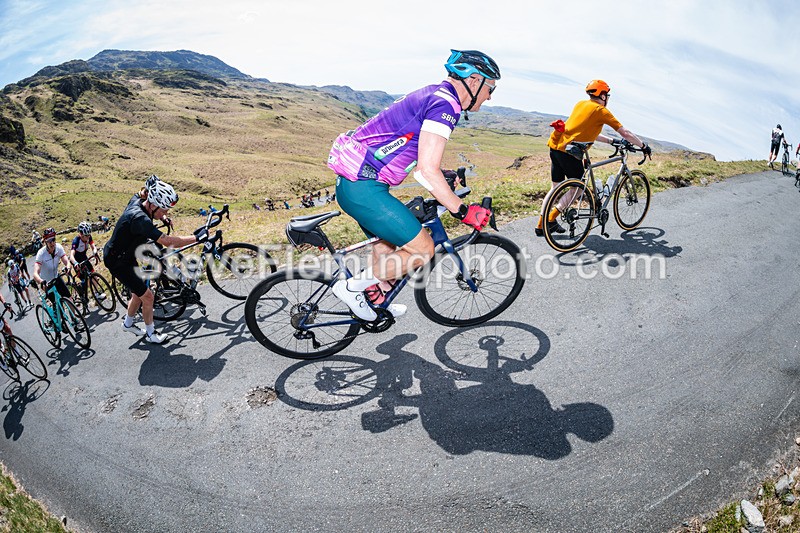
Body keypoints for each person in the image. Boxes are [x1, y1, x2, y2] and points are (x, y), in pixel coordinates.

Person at [326, 49, 497, 321]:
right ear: (475, 81)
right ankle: (351, 288)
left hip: (355, 185)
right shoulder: (446, 105)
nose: (490, 96)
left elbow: (416, 152)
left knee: (386, 243)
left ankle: (373, 298)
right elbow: (425, 172)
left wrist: (445, 173)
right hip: (363, 188)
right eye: (491, 88)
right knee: (423, 250)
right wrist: (462, 211)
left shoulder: (435, 94)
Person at [535, 79, 652, 236]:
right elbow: (625, 132)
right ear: (603, 96)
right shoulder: (601, 111)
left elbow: (585, 131)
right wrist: (643, 146)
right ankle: (551, 219)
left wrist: (612, 141)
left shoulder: (581, 104)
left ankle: (540, 225)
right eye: (607, 95)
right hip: (570, 152)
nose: (608, 99)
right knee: (577, 189)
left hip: (556, 147)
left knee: (555, 187)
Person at [103, 179, 208, 344]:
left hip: (126, 254)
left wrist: (164, 217)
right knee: (148, 297)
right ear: (153, 205)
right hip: (117, 262)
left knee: (138, 294)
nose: (163, 214)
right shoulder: (139, 219)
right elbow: (167, 241)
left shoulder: (139, 200)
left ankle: (128, 324)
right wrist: (197, 238)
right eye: (163, 210)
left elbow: (144, 192)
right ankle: (151, 334)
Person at [32, 227, 72, 304]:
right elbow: (35, 273)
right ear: (45, 242)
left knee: (69, 299)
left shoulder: (59, 247)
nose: (52, 243)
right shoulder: (41, 253)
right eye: (49, 241)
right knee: (57, 306)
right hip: (47, 283)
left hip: (56, 277)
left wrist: (68, 267)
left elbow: (66, 260)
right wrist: (41, 281)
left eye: (53, 240)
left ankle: (74, 316)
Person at [70, 222, 104, 305]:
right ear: (81, 234)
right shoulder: (76, 241)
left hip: (84, 258)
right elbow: (71, 255)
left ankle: (97, 294)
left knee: (93, 275)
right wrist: (75, 263)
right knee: (85, 281)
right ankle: (81, 293)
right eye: (86, 235)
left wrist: (95, 252)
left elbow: (93, 246)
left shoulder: (88, 236)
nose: (88, 237)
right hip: (76, 261)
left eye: (89, 235)